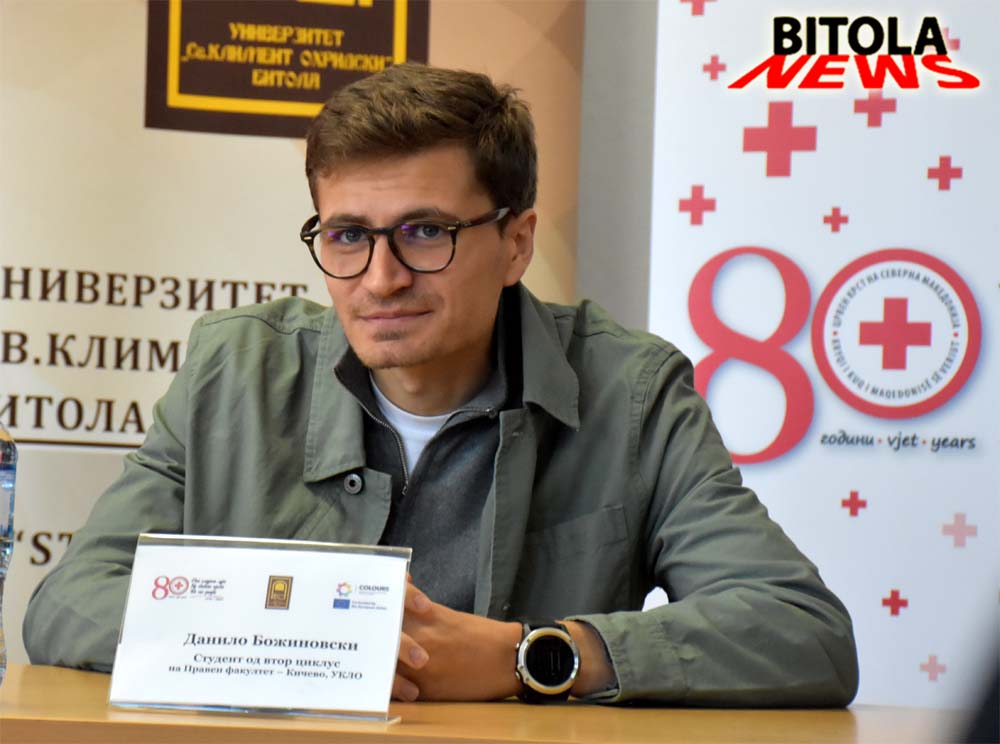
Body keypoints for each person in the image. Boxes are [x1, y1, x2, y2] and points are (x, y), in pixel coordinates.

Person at [24, 63, 858, 706]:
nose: (380, 278)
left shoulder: (631, 392)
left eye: (425, 232)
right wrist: (303, 648)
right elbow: (70, 603)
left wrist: (530, 656)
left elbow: (803, 631)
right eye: (348, 235)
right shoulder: (233, 370)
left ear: (517, 243)